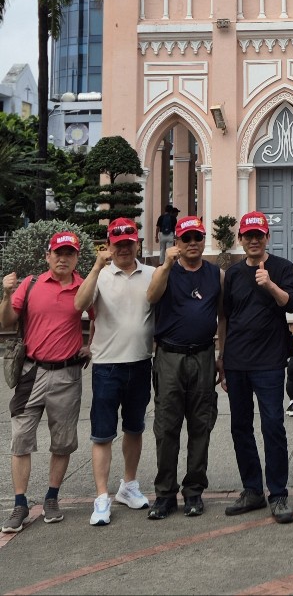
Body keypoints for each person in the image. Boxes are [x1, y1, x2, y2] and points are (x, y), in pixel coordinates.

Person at [1, 231, 90, 532]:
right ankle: (19, 504)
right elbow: (6, 322)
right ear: (47, 256)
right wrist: (5, 293)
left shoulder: (83, 286)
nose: (63, 258)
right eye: (58, 253)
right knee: (21, 440)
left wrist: (93, 344)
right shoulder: (31, 284)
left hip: (67, 373)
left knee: (62, 441)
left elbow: (100, 316)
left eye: (69, 253)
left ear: (77, 257)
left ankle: (52, 497)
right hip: (31, 372)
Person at [217, 211, 293, 525]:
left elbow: (290, 304)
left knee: (273, 426)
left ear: (267, 238)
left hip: (269, 361)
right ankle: (252, 490)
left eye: (258, 235)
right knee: (240, 428)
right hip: (236, 361)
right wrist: (221, 358)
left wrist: (270, 285)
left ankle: (278, 493)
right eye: (248, 235)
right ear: (240, 239)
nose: (253, 240)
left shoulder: (281, 267)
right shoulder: (233, 275)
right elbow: (225, 318)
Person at [73, 217, 155, 526]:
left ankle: (128, 486)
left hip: (140, 361)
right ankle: (102, 497)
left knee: (134, 428)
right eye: (117, 244)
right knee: (102, 433)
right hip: (107, 365)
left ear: (137, 243)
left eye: (128, 243)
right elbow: (78, 304)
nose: (123, 248)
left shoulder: (151, 274)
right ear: (109, 245)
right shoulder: (100, 275)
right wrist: (96, 267)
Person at [145, 215, 223, 519]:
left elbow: (223, 317)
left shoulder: (216, 275)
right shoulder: (165, 272)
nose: (192, 244)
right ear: (177, 242)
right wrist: (165, 265)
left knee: (201, 424)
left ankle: (194, 491)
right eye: (186, 239)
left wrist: (222, 354)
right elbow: (151, 297)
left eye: (197, 238)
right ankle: (165, 494)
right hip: (169, 357)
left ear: (204, 241)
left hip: (203, 355)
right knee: (166, 427)